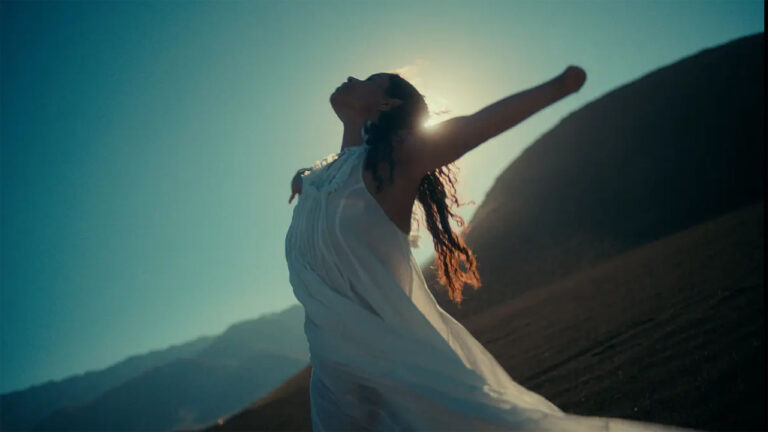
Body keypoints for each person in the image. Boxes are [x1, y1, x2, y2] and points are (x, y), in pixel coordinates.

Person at [285, 67, 700, 431]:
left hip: (392, 361)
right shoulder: (320, 177)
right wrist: (304, 182)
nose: (352, 78)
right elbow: (326, 186)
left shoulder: (395, 162)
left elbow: (473, 127)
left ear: (388, 102)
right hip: (333, 373)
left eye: (367, 79)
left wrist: (558, 86)